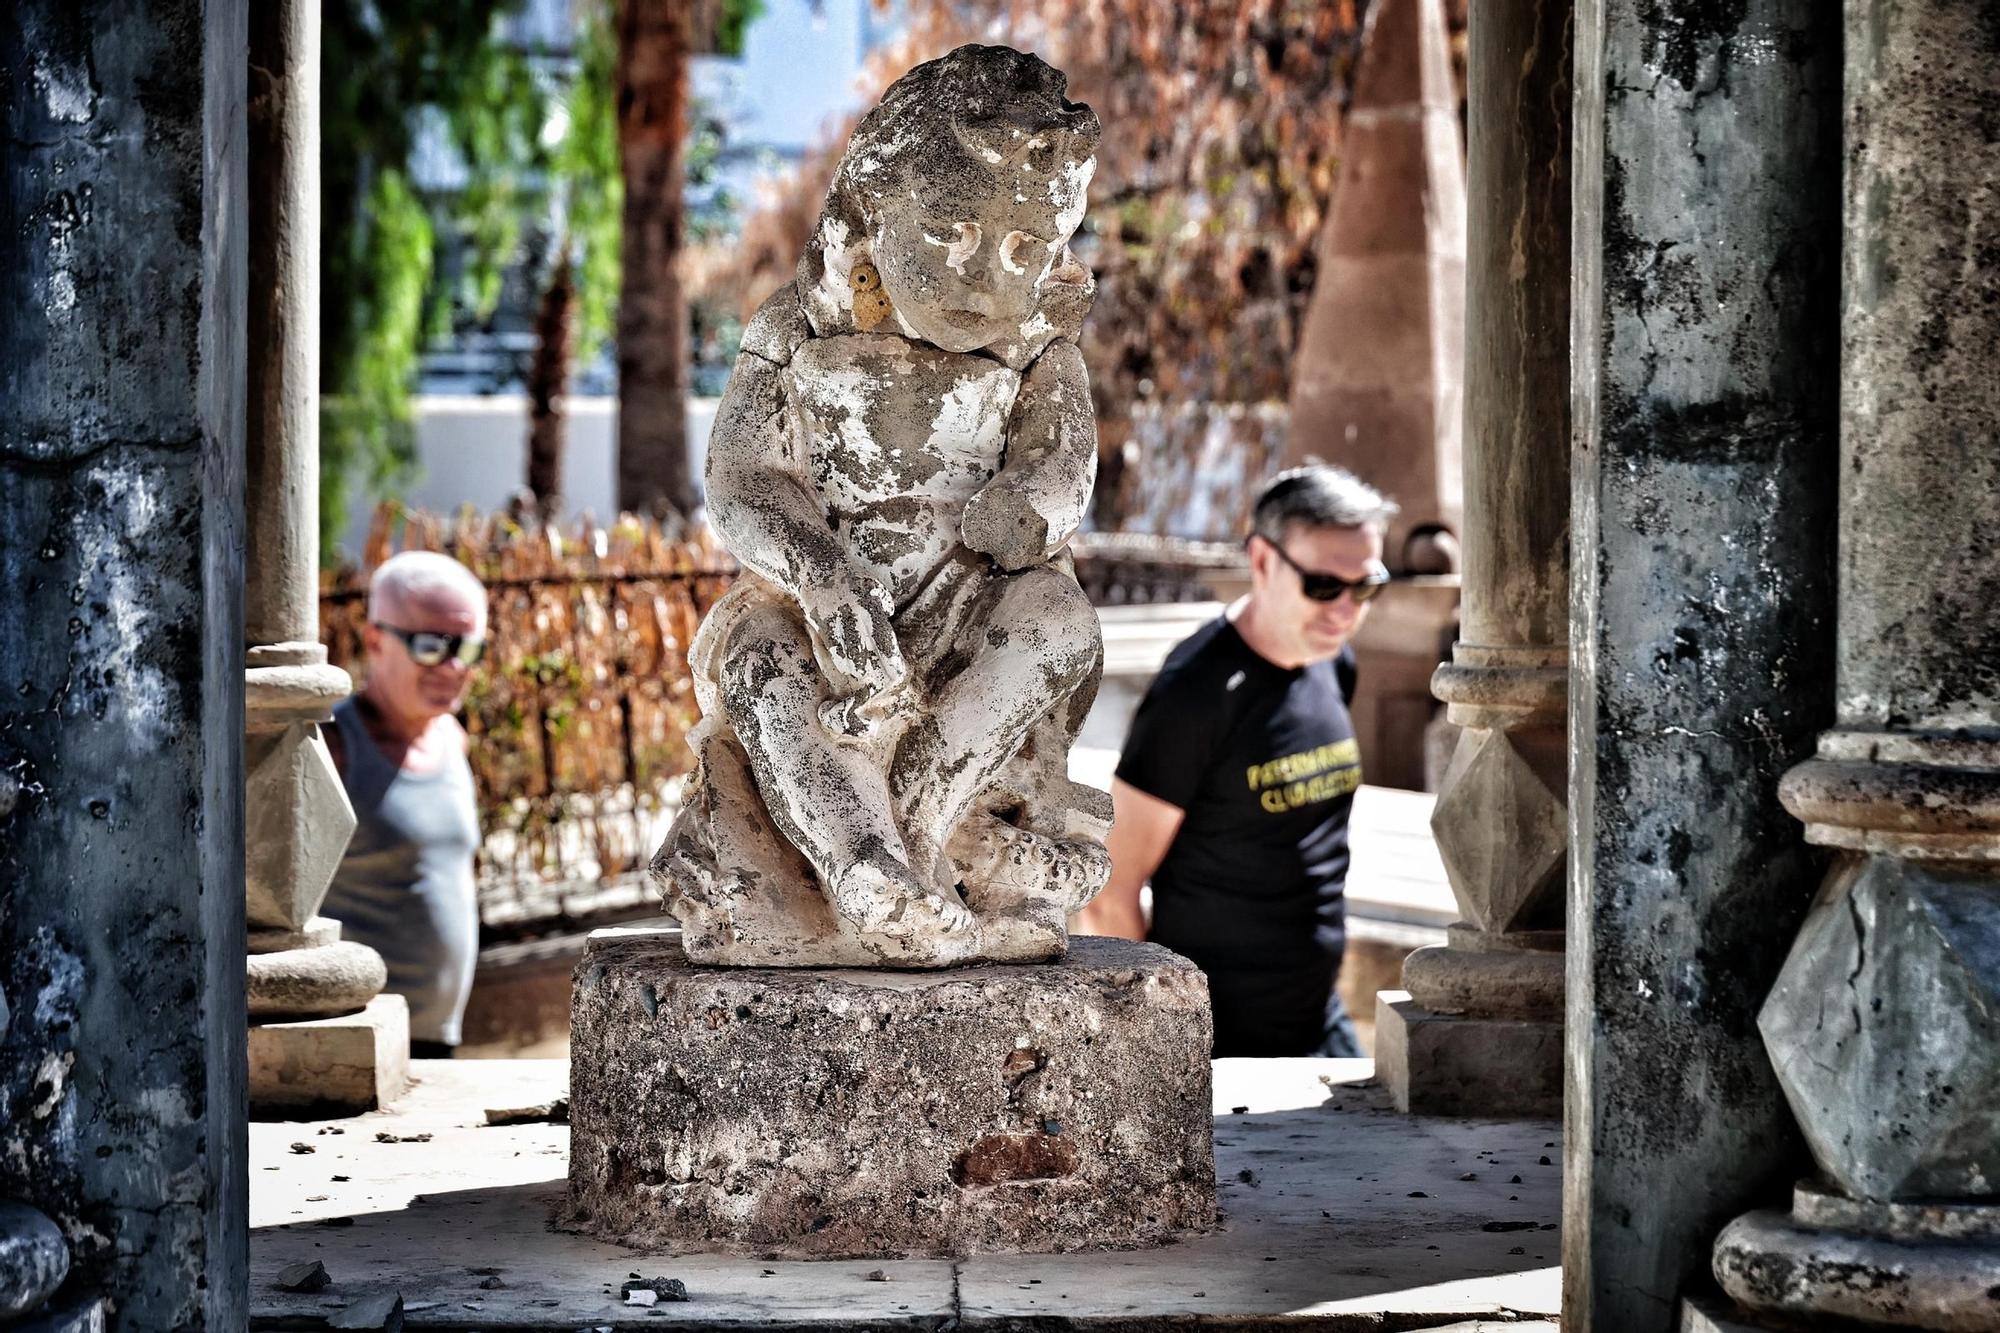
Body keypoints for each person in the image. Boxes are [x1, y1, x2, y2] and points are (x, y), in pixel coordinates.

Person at [1077, 466, 1395, 1057]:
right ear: (1263, 561)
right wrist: (1162, 1047)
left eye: (1367, 586)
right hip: (1219, 1041)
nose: (1346, 610)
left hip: (1319, 1022)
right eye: (1324, 586)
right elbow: (1111, 892)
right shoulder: (1196, 693)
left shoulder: (1332, 662)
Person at [323, 551, 487, 1059]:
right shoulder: (332, 747)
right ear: (375, 641)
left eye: (468, 647)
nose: (454, 666)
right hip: (355, 1039)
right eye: (432, 645)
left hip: (438, 1038)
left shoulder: (450, 739)